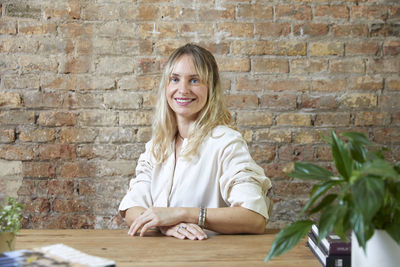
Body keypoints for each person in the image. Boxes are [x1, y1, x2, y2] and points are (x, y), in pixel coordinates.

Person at [119, 43, 272, 240]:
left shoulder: (226, 142)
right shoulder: (157, 146)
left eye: (194, 80)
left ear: (210, 88)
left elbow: (255, 218)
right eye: (175, 79)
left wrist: (184, 214)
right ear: (166, 86)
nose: (182, 90)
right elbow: (131, 208)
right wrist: (166, 226)